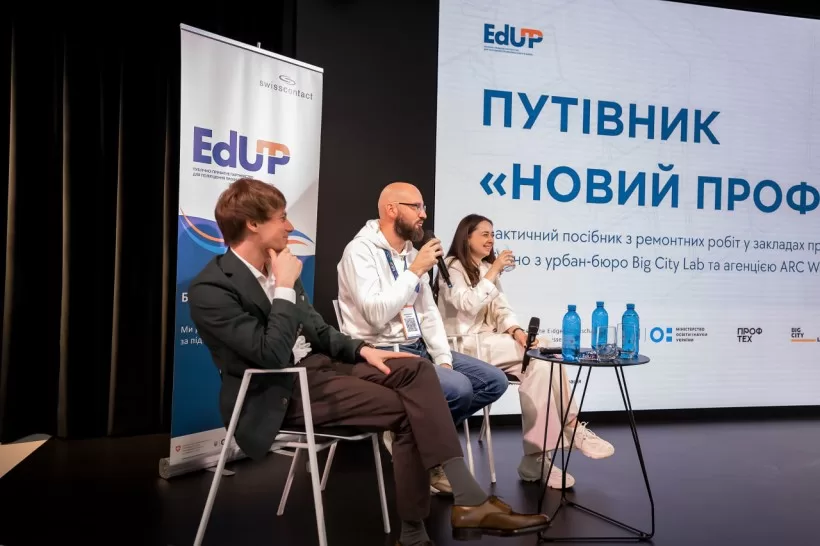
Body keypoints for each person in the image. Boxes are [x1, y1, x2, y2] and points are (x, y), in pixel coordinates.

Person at [188, 178, 549, 546]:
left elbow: (320, 331)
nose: (290, 226)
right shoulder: (212, 288)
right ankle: (432, 522)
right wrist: (283, 287)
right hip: (277, 390)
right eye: (282, 218)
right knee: (412, 409)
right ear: (252, 224)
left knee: (417, 370)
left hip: (319, 366)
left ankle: (463, 502)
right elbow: (271, 355)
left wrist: (362, 350)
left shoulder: (279, 267)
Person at [335, 182, 509, 496]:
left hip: (417, 348)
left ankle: (411, 440)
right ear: (391, 210)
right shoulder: (360, 252)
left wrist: (443, 358)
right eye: (416, 206)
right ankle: (429, 457)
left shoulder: (412, 253)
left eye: (423, 207)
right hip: (380, 353)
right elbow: (376, 314)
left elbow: (428, 313)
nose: (423, 214)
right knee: (459, 389)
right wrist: (414, 271)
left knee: (493, 381)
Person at [435, 214, 615, 489]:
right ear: (466, 237)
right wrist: (494, 271)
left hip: (491, 343)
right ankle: (570, 428)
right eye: (484, 234)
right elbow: (467, 304)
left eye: (492, 234)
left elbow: (502, 310)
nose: (491, 239)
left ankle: (536, 457)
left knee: (542, 362)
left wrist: (517, 332)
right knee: (542, 351)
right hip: (463, 347)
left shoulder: (485, 267)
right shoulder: (452, 266)